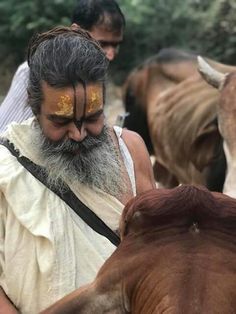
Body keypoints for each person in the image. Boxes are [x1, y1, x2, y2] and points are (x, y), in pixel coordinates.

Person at [0, 26, 156, 314]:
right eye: (61, 122)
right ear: (34, 108)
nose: (79, 133)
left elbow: (156, 253)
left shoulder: (132, 151)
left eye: (92, 118)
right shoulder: (5, 168)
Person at [0, 0, 125, 133]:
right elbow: (4, 136)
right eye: (102, 43)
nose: (110, 55)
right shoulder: (37, 71)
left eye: (115, 45)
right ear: (77, 31)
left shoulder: (95, 76)